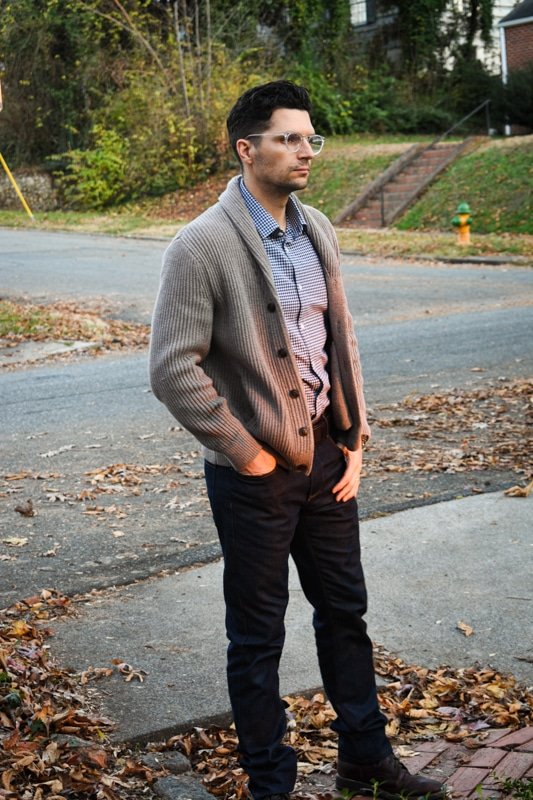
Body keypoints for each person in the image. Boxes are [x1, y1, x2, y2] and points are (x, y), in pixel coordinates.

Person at [149, 80, 446, 800]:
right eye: (287, 138)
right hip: (254, 475)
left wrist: (356, 437)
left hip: (329, 462)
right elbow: (170, 367)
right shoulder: (201, 246)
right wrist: (244, 452)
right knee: (258, 637)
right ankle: (270, 784)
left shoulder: (318, 229)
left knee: (345, 612)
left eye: (310, 137)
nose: (304, 150)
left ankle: (363, 760)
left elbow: (337, 341)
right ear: (246, 150)